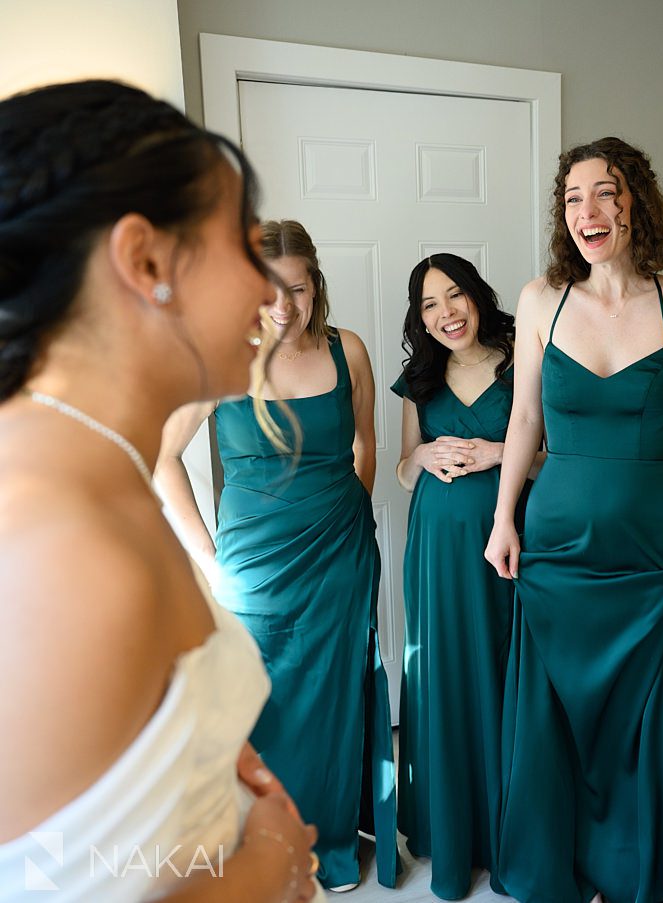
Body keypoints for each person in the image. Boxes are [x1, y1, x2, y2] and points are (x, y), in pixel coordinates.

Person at [0, 80, 320, 900]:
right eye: (245, 246)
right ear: (145, 261)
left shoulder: (101, 466)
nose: (269, 291)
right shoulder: (55, 542)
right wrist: (267, 863)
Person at [483, 137, 663, 903]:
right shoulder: (538, 299)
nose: (588, 211)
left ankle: (635, 870)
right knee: (557, 712)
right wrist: (502, 520)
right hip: (555, 543)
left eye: (605, 193)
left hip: (651, 547)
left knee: (640, 720)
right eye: (574, 197)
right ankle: (562, 868)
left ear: (636, 202)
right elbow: (524, 420)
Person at [157, 220, 398, 893]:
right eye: (269, 291)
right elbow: (161, 454)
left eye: (298, 288)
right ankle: (259, 844)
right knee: (260, 703)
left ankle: (334, 842)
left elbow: (365, 446)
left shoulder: (347, 350)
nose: (285, 306)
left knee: (334, 696)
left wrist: (349, 517)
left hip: (341, 554)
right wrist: (209, 557)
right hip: (254, 566)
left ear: (317, 284)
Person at [392, 253, 540, 900]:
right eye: (429, 304)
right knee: (444, 678)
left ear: (477, 296)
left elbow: (555, 452)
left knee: (506, 676)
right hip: (435, 553)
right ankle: (450, 832)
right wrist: (420, 454)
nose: (445, 313)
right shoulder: (419, 378)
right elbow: (400, 471)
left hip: (507, 546)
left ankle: (509, 833)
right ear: (419, 317)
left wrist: (497, 451)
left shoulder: (520, 358)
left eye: (454, 296)